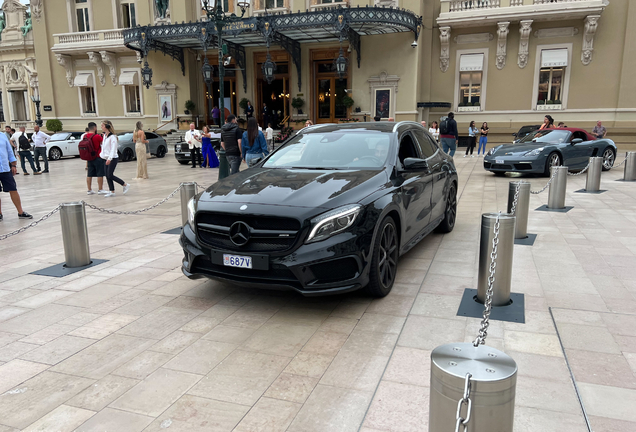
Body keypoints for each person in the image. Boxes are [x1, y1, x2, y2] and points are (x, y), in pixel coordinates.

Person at [0, 132, 32, 220]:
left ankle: (20, 212)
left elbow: (9, 151)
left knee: (13, 189)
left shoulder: (2, 136)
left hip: (5, 168)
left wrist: (13, 165)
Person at [100, 120, 130, 197]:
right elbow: (104, 147)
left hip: (112, 158)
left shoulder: (112, 137)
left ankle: (125, 184)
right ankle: (112, 191)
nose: (101, 127)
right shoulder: (104, 136)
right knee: (107, 175)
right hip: (105, 158)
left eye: (102, 125)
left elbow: (113, 149)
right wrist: (102, 156)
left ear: (107, 127)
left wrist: (109, 159)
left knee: (110, 175)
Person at [84, 122, 106, 195]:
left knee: (89, 174)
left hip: (89, 157)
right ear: (95, 128)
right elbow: (103, 143)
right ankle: (100, 189)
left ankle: (89, 190)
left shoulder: (85, 136)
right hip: (97, 156)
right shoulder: (97, 136)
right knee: (100, 173)